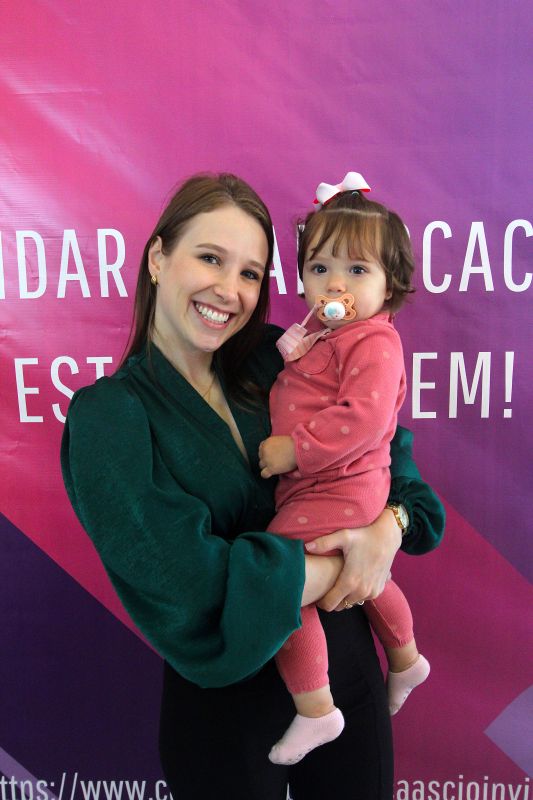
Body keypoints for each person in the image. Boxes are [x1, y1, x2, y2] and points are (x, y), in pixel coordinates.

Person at [61, 172, 445, 800]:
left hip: (349, 673)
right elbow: (191, 586)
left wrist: (388, 527)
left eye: (250, 273)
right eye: (210, 258)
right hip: (226, 707)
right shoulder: (109, 417)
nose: (229, 290)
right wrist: (347, 560)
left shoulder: (281, 357)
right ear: (158, 257)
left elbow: (390, 460)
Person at [259, 172, 431, 767]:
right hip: (332, 488)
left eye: (357, 270)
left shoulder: (373, 341)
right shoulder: (323, 335)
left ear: (391, 284)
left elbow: (363, 419)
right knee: (357, 574)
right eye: (320, 267)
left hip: (338, 484)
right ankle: (406, 660)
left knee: (278, 578)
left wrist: (294, 450)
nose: (335, 283)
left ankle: (316, 708)